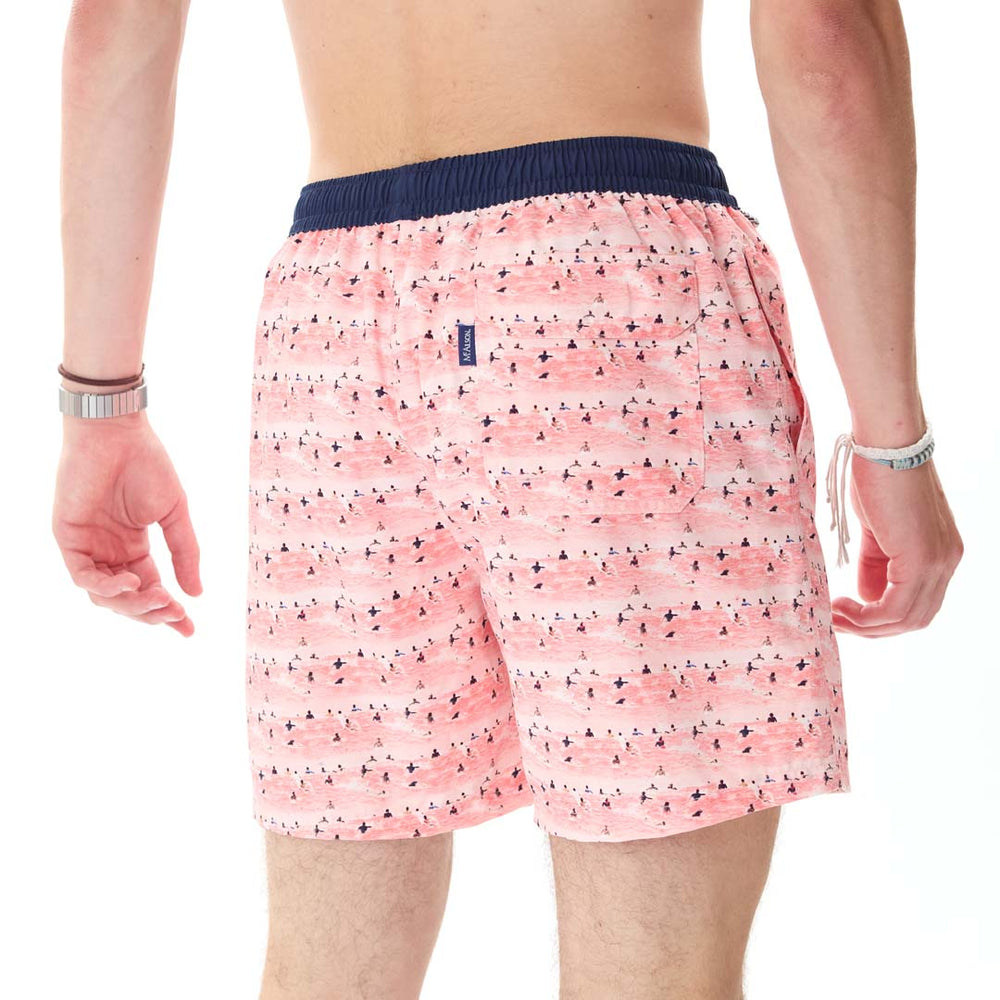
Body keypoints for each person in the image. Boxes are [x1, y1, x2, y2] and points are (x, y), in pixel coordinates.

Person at [51, 2, 964, 998]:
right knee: (654, 976)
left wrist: (102, 409)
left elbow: (115, 25)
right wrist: (893, 441)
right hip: (610, 294)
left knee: (328, 970)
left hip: (330, 326)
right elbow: (828, 38)